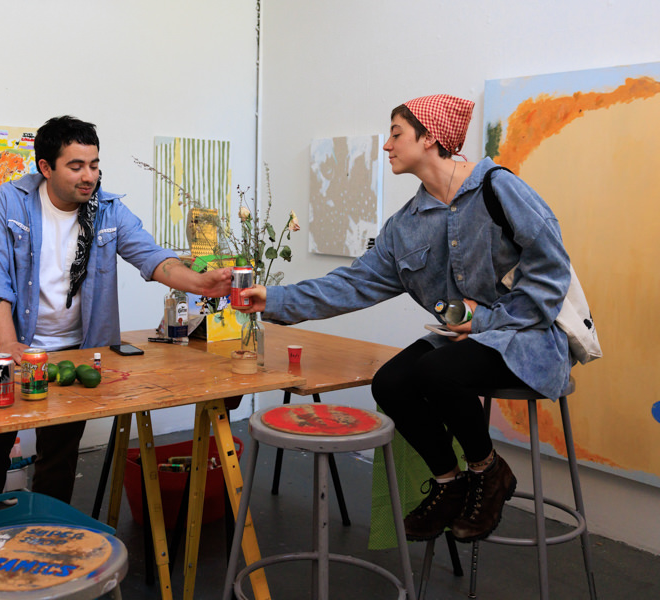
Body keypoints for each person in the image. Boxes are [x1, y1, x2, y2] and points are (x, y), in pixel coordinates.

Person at [236, 95, 572, 543]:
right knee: (390, 382)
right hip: (461, 344)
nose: (387, 146)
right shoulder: (406, 225)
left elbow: (553, 270)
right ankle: (450, 483)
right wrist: (273, 299)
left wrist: (488, 319)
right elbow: (353, 284)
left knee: (436, 371)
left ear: (429, 137)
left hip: (524, 336)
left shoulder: (497, 188)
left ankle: (488, 473)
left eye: (396, 134)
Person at [0, 115, 231, 508]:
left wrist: (200, 282)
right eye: (75, 166)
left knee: (59, 452)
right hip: (13, 346)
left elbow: (152, 257)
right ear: (46, 167)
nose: (88, 175)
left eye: (93, 164)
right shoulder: (9, 203)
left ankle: (49, 532)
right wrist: (8, 346)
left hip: (76, 351)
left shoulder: (108, 210)